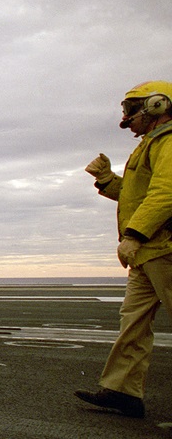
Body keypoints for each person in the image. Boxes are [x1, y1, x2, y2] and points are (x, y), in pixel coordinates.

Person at [78, 80, 172, 418]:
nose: (126, 116)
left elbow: (166, 193)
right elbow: (136, 195)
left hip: (163, 248)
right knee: (132, 323)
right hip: (149, 253)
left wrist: (134, 235)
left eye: (131, 108)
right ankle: (123, 392)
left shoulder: (169, 143)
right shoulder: (149, 146)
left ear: (158, 105)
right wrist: (106, 180)